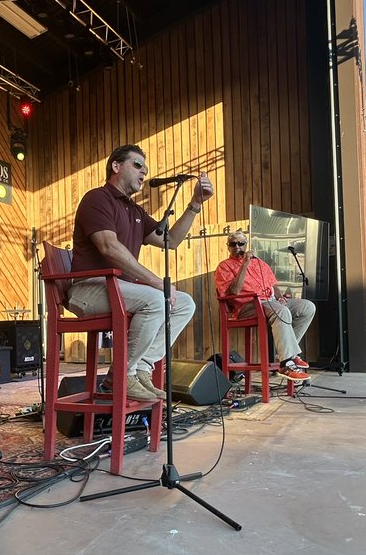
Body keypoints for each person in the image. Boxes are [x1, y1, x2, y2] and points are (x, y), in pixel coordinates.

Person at [68, 144, 213, 401]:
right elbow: (109, 247)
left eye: (145, 168)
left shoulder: (134, 210)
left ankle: (140, 367)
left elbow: (170, 241)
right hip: (87, 289)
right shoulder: (97, 198)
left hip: (116, 288)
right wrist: (157, 282)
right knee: (157, 298)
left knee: (185, 304)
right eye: (137, 165)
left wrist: (194, 204)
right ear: (116, 166)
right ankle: (121, 376)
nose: (144, 171)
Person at [215, 229, 315, 383]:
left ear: (246, 245)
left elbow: (273, 285)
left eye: (241, 244)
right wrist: (245, 265)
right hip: (247, 306)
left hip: (270, 301)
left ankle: (288, 353)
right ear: (228, 246)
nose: (237, 247)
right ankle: (286, 363)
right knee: (280, 310)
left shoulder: (260, 263)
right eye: (233, 244)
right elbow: (233, 291)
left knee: (307, 307)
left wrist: (280, 296)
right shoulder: (224, 266)